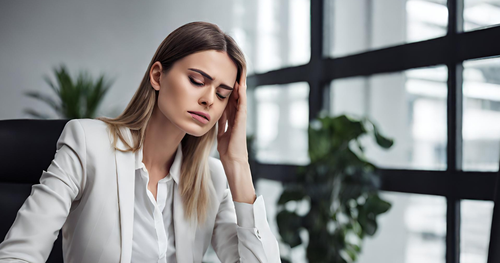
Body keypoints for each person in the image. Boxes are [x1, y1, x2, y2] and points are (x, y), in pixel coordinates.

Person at [0, 21, 281, 263]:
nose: (209, 99)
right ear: (158, 76)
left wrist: (238, 163)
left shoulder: (213, 179)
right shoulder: (88, 144)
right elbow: (18, 254)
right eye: (197, 80)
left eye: (222, 94)